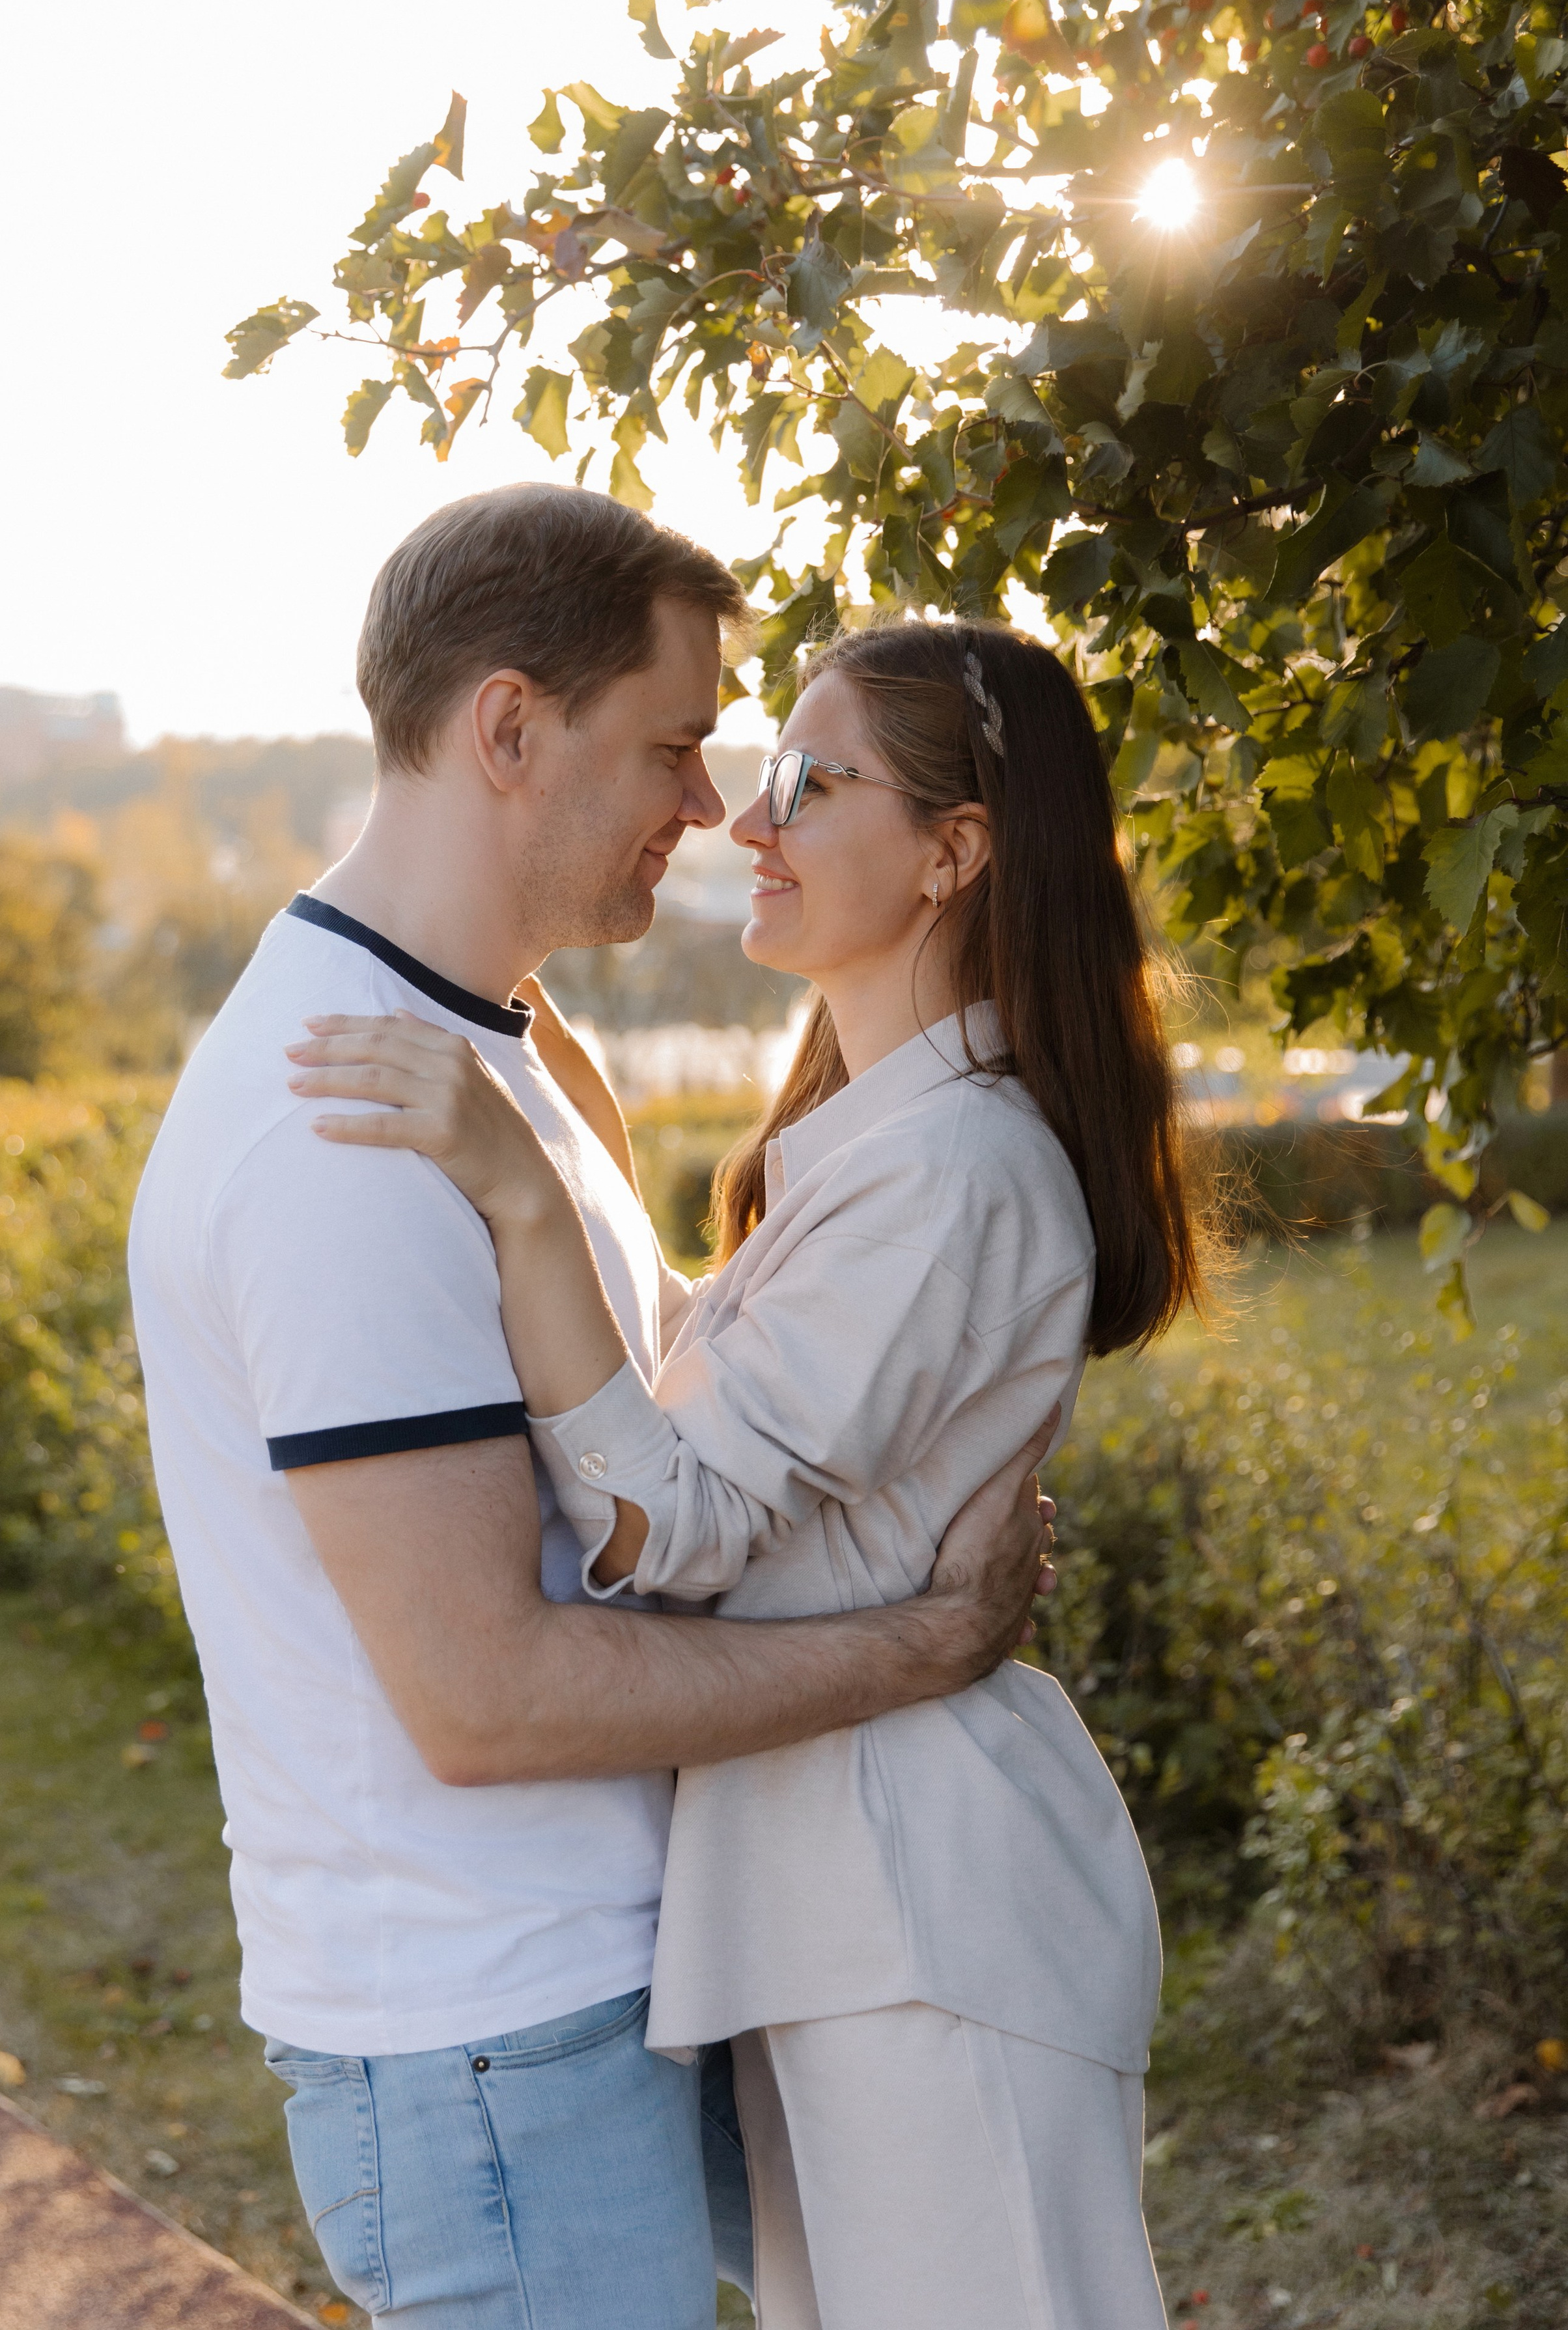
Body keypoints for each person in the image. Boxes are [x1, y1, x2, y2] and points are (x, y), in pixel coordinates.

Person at [128, 486, 1060, 2330]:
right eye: (674, 742)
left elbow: (652, 1427)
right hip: (488, 2046)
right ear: (506, 727)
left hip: (592, 1998)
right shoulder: (347, 1128)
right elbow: (489, 1693)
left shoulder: (491, 1056)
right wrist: (929, 1640)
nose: (713, 808)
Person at [292, 612, 1214, 2330]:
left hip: (924, 1919)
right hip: (844, 1900)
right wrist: (593, 1161)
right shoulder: (877, 1151)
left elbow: (681, 1518)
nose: (748, 819)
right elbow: (720, 1415)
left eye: (813, 778)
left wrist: (522, 1194)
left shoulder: (960, 1171)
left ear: (955, 853)